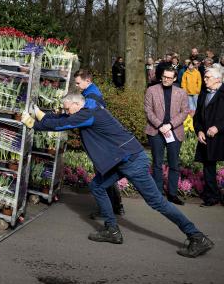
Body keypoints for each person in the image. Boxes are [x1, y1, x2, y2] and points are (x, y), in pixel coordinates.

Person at [21, 94, 214, 258]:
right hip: (120, 160)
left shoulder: (89, 114)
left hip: (132, 161)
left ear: (76, 104)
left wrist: (33, 123)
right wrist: (42, 115)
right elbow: (64, 119)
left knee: (157, 202)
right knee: (97, 186)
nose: (65, 111)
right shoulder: (89, 107)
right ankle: (112, 230)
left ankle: (197, 237)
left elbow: (63, 124)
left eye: (66, 108)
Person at [74, 69, 125, 216]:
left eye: (78, 83)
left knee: (104, 175)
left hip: (99, 142)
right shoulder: (91, 93)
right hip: (102, 141)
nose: (77, 86)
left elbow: (84, 117)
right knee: (106, 174)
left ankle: (109, 209)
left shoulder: (91, 97)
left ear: (87, 81)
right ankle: (116, 206)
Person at [144, 67, 190, 205]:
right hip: (155, 131)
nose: (166, 79)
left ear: (175, 78)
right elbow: (148, 110)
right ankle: (157, 194)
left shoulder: (181, 93)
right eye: (164, 76)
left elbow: (184, 112)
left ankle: (172, 194)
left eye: (169, 78)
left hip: (174, 131)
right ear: (161, 76)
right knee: (157, 163)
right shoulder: (151, 90)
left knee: (174, 164)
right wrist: (160, 125)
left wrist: (169, 125)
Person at [193, 67, 224, 207]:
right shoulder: (203, 93)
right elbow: (197, 116)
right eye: (204, 77)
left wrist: (218, 127)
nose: (204, 80)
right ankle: (212, 197)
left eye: (208, 77)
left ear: (218, 78)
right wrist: (199, 130)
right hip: (207, 138)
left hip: (221, 136)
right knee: (208, 168)